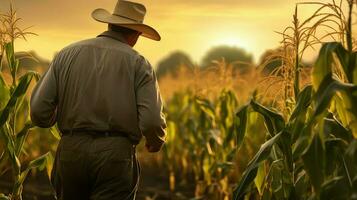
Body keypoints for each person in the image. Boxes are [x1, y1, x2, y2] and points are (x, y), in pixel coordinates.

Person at [30, 1, 167, 199]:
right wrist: (155, 140)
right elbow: (152, 120)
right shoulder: (139, 63)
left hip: (71, 149)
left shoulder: (66, 54)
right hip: (114, 154)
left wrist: (66, 122)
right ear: (136, 34)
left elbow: (38, 112)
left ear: (110, 24)